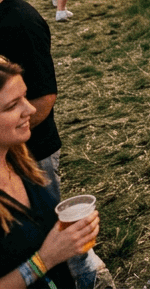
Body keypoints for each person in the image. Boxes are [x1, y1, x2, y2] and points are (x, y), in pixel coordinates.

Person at [0, 57, 101, 289]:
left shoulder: (19, 161)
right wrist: (44, 260)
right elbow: (44, 256)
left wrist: (72, 236)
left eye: (24, 96)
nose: (31, 109)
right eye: (12, 105)